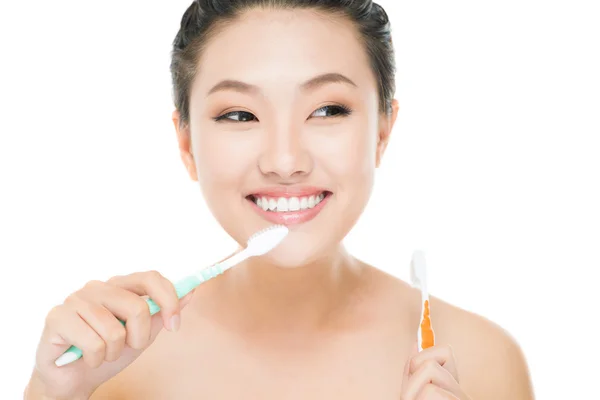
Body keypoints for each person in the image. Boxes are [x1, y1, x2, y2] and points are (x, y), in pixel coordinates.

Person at [24, 1, 535, 399]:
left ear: (383, 131)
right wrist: (50, 395)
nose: (285, 159)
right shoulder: (110, 367)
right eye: (240, 115)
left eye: (329, 109)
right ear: (186, 144)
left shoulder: (480, 360)